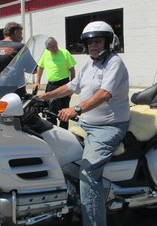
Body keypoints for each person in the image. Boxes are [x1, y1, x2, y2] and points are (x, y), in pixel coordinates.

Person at [37, 21, 130, 226]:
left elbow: (105, 93)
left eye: (98, 41)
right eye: (90, 43)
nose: (93, 46)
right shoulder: (90, 63)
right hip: (86, 124)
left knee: (88, 173)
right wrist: (42, 97)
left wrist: (76, 109)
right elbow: (71, 86)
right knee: (61, 157)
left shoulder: (114, 63)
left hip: (108, 127)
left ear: (109, 42)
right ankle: (75, 203)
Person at [34, 37, 76, 129]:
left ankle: (64, 132)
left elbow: (72, 70)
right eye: (52, 47)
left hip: (64, 84)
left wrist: (72, 87)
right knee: (50, 111)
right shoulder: (45, 54)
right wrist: (38, 81)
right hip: (51, 85)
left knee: (64, 111)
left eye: (56, 45)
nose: (55, 48)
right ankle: (53, 130)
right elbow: (40, 67)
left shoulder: (65, 53)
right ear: (47, 48)